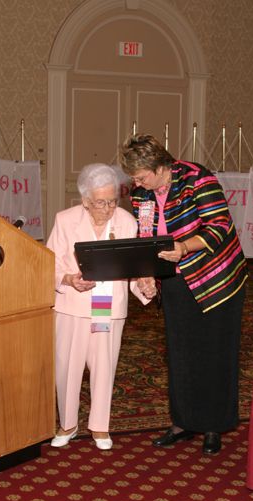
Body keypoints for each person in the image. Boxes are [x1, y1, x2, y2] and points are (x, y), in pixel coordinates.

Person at [119, 134, 248, 454]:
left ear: (159, 166)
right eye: (134, 178)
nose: (135, 183)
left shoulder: (196, 178)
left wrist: (184, 247)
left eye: (140, 176)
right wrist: (148, 274)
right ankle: (183, 421)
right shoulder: (140, 193)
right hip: (174, 278)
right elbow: (146, 235)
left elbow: (220, 226)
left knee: (216, 352)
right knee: (180, 352)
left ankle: (214, 426)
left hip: (216, 277)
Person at [47, 163, 156, 450]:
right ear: (85, 201)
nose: (108, 208)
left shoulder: (126, 222)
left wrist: (144, 285)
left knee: (104, 366)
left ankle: (100, 426)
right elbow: (49, 265)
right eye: (100, 202)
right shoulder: (65, 220)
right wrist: (69, 279)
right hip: (72, 305)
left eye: (112, 201)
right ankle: (67, 424)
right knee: (66, 367)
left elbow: (133, 268)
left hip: (107, 306)